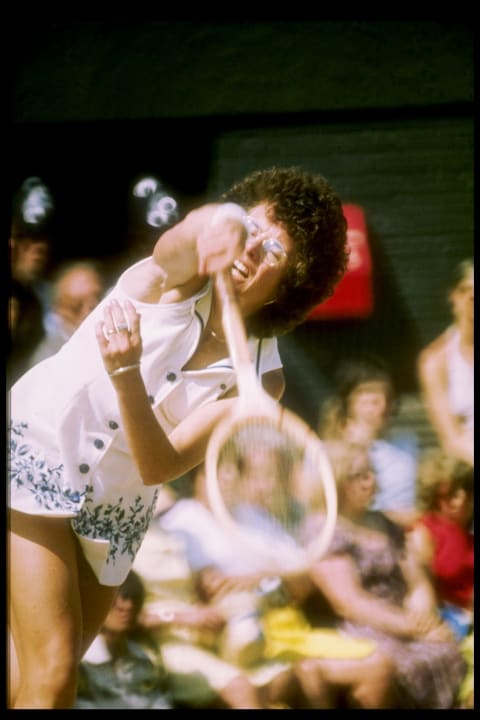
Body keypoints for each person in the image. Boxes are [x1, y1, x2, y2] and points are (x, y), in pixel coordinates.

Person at [8, 165, 349, 709]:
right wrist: (221, 222)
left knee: (31, 674)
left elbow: (157, 465)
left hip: (117, 508)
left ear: (295, 283)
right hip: (43, 449)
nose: (252, 250)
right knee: (52, 678)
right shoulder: (178, 274)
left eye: (274, 252)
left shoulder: (263, 378)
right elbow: (185, 236)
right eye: (251, 231)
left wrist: (127, 377)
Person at [306, 439, 467, 709]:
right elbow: (348, 603)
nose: (370, 481)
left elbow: (414, 580)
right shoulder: (324, 530)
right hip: (363, 627)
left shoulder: (384, 522)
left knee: (448, 651)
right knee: (405, 666)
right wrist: (414, 628)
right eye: (359, 475)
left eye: (371, 473)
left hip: (405, 618)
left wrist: (426, 621)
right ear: (336, 480)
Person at [318, 354, 419, 527]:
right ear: (349, 403)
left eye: (387, 398)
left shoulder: (406, 444)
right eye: (372, 401)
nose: (382, 407)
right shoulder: (327, 450)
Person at [408, 447, 474, 709]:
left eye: (464, 490)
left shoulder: (467, 535)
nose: (458, 499)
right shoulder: (424, 531)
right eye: (449, 494)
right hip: (448, 619)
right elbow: (422, 583)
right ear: (434, 495)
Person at [75, 570, 172, 708]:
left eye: (133, 598)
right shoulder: (81, 662)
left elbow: (157, 700)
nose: (127, 606)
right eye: (117, 597)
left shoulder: (142, 657)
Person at [417, 258, 473, 467]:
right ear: (454, 297)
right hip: (465, 468)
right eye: (465, 290)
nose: (472, 297)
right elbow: (451, 439)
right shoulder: (435, 360)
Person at [28, 259, 106, 366]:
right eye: (77, 305)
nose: (92, 310)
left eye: (98, 297)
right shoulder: (48, 359)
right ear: (59, 311)